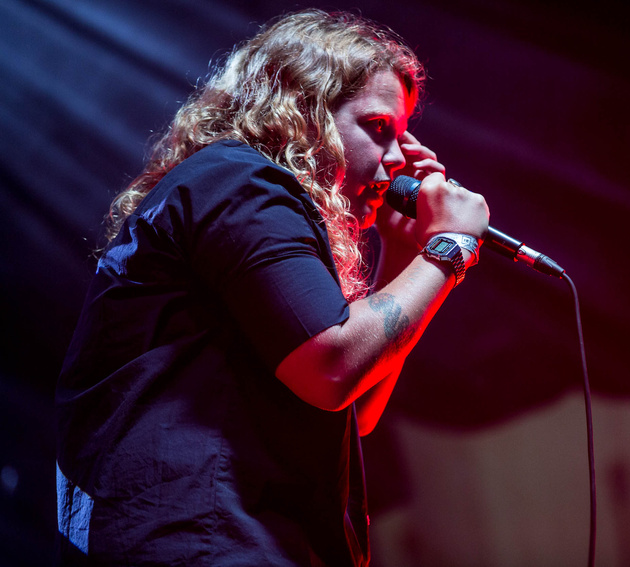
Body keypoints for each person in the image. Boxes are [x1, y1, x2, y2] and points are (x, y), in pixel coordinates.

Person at [55, 9, 488, 566]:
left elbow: (348, 406)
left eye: (402, 137)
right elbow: (331, 367)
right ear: (304, 111)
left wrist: (406, 252)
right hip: (201, 544)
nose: (396, 164)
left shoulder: (228, 189)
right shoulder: (242, 181)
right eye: (379, 128)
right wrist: (449, 246)